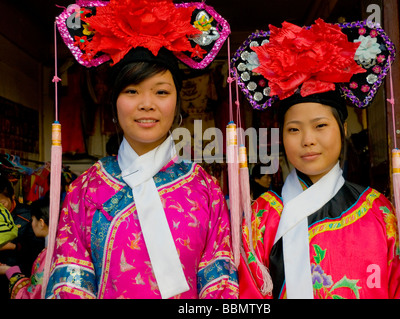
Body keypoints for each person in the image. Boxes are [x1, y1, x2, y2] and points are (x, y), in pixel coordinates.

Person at [45, 0, 238, 299]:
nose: (147, 104)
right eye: (132, 91)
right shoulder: (85, 189)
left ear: (177, 103)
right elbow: (71, 282)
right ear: (114, 103)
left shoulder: (205, 188)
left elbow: (221, 283)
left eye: (161, 91)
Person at [233, 19, 400, 299]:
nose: (308, 140)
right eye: (294, 129)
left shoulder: (379, 212)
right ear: (281, 136)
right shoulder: (262, 217)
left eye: (320, 126)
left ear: (343, 129)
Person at [0, 196, 49, 299]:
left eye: (32, 220)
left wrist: (9, 270)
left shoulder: (47, 256)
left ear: (41, 223)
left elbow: (32, 294)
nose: (31, 224)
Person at [0, 174, 18, 251]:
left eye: (2, 204)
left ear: (12, 196)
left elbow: (34, 248)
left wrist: (14, 246)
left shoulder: (27, 216)